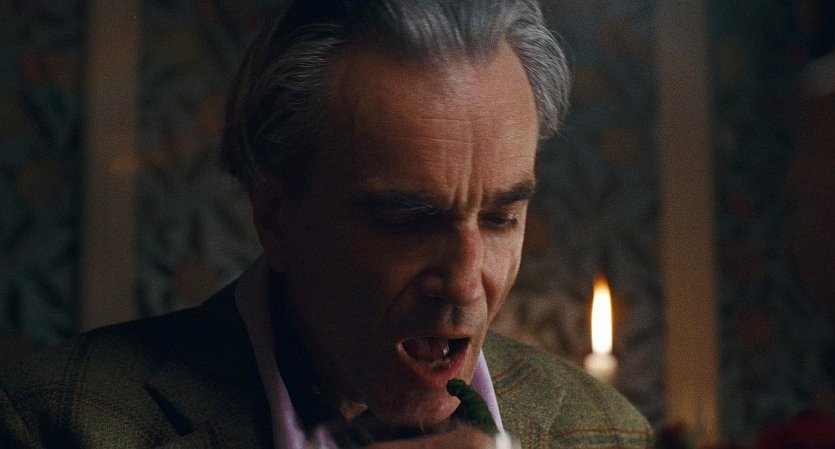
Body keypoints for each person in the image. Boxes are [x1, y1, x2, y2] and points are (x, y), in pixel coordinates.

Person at [0, 0, 652, 447]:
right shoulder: (50, 422)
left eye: (501, 217)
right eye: (406, 221)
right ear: (276, 215)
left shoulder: (608, 433)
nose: (464, 284)